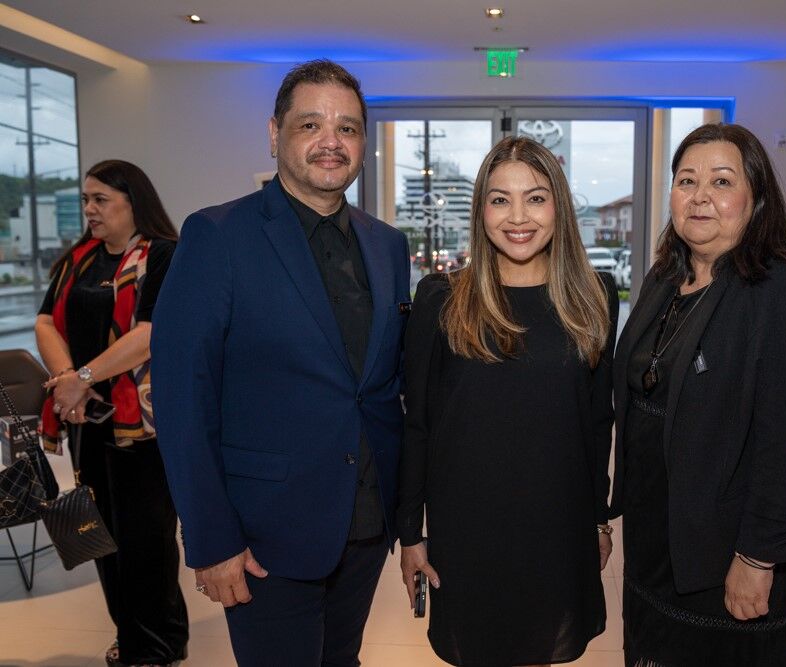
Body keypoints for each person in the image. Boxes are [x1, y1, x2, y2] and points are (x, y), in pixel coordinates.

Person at [150, 60, 411, 665]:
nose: (331, 141)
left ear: (363, 143)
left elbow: (383, 384)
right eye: (310, 124)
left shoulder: (387, 244)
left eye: (347, 128)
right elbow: (184, 400)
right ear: (275, 134)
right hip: (263, 534)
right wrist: (211, 539)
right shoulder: (217, 235)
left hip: (366, 520)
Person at [610, 123, 786, 667]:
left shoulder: (785, 293)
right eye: (687, 180)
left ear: (756, 198)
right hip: (657, 538)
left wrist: (758, 557)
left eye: (722, 181)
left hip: (728, 546)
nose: (700, 195)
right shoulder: (664, 279)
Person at [397, 136, 617, 667]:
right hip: (467, 527)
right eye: (500, 199)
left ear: (559, 207)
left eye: (535, 198)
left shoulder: (593, 296)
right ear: (481, 211)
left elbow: (597, 421)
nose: (518, 217)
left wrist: (598, 520)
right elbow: (417, 424)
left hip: (558, 523)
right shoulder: (441, 298)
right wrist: (410, 534)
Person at [35, 159, 188, 667]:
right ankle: (130, 633)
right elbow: (45, 323)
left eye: (100, 199)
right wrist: (67, 383)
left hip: (145, 426)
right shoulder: (78, 260)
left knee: (147, 539)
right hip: (87, 420)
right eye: (86, 199)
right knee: (103, 537)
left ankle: (158, 645)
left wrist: (80, 379)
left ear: (132, 202)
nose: (90, 209)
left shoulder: (163, 255)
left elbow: (150, 334)